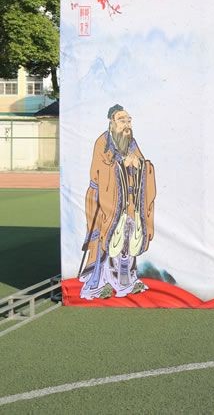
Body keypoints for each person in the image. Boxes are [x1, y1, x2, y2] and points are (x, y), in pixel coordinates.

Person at [79, 104, 156, 300]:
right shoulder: (103, 142)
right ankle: (95, 285)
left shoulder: (131, 142)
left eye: (129, 120)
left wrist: (139, 164)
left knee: (128, 240)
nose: (126, 124)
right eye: (122, 120)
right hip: (103, 200)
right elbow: (100, 172)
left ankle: (125, 282)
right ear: (111, 123)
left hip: (127, 203)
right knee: (103, 240)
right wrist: (122, 164)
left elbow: (143, 165)